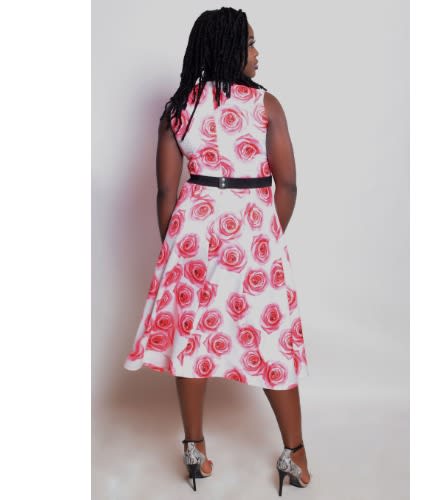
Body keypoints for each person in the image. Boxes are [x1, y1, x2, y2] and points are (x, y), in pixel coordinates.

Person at [123, 7, 312, 495]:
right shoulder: (265, 105)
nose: (257, 53)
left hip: (192, 236)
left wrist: (175, 250)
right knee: (272, 338)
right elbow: (288, 184)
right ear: (229, 48)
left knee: (191, 338)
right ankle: (295, 454)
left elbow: (166, 192)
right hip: (253, 235)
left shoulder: (179, 108)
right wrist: (267, 238)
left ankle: (194, 449)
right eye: (249, 43)